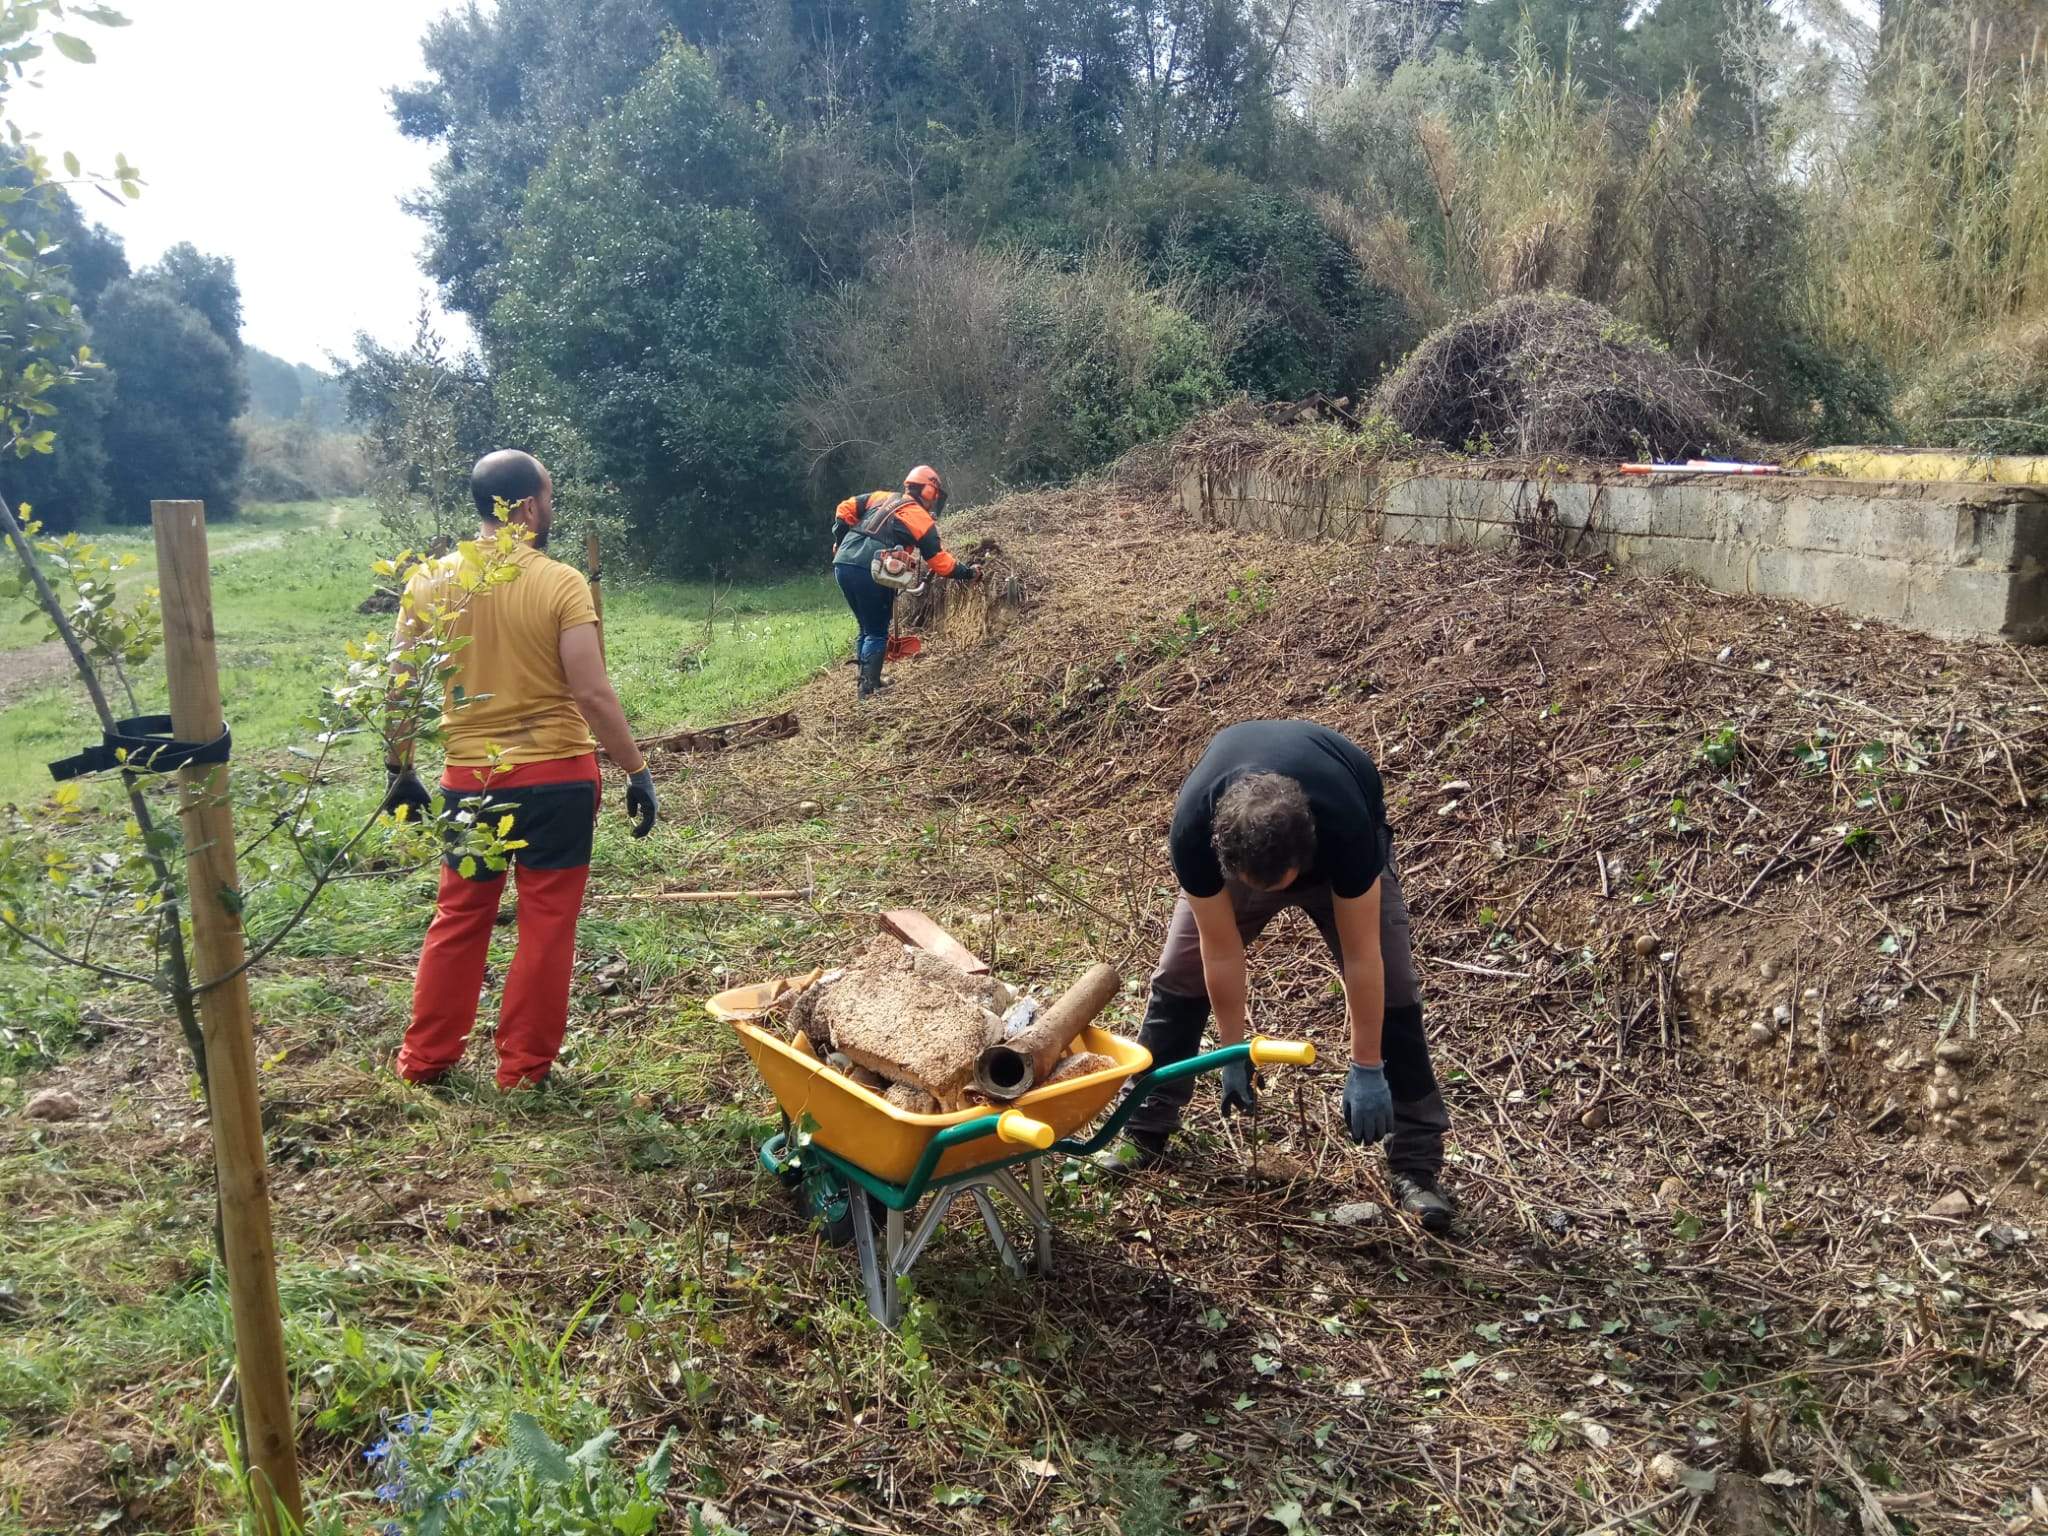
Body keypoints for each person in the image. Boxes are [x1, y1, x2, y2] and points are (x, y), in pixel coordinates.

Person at [383, 450, 659, 1091]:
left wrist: (400, 767)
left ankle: (425, 1060)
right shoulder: (560, 582)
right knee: (547, 922)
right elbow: (591, 692)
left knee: (459, 916)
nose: (552, 510)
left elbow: (400, 682)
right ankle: (523, 1070)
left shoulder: (428, 580)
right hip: (558, 780)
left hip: (470, 783)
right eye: (551, 497)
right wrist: (635, 768)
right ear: (530, 507)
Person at [1121, 719, 1455, 1231]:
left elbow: (1366, 958)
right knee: (1179, 972)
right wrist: (1234, 1050)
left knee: (1396, 991)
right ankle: (1143, 1125)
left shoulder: (1345, 830)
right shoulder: (1193, 832)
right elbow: (1220, 950)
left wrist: (1367, 1064)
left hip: (1333, 851)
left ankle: (1417, 1166)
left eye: (1281, 886)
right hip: (1241, 851)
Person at [829, 464, 978, 698]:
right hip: (871, 570)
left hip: (843, 563)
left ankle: (870, 680)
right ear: (929, 492)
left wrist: (840, 540)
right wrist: (969, 573)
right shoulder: (921, 520)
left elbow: (844, 508)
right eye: (934, 495)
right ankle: (867, 691)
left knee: (866, 627)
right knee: (877, 632)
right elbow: (941, 563)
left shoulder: (881, 497)